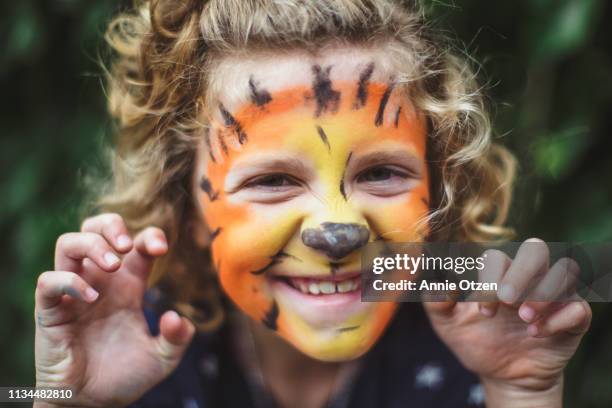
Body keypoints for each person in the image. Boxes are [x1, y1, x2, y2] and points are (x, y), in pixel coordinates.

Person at [33, 1, 592, 407]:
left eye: (380, 172)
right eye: (273, 180)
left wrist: (521, 392)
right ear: (188, 209)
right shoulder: (136, 349)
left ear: (438, 192)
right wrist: (64, 399)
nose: (338, 230)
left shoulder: (476, 358)